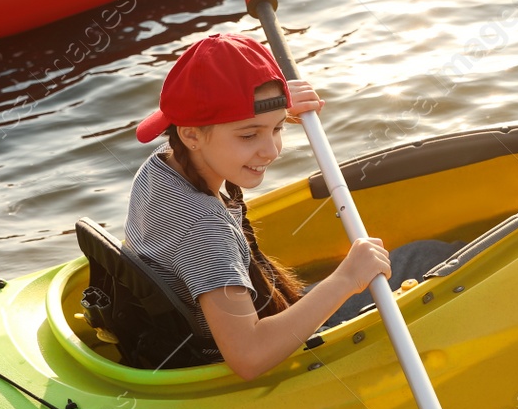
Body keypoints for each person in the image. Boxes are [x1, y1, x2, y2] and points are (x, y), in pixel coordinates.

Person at [125, 33, 393, 380]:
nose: (272, 150)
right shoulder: (206, 230)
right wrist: (346, 278)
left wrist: (269, 106)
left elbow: (204, 113)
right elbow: (249, 356)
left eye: (278, 128)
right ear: (191, 134)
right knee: (421, 257)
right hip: (263, 349)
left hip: (195, 331)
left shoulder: (162, 165)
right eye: (249, 135)